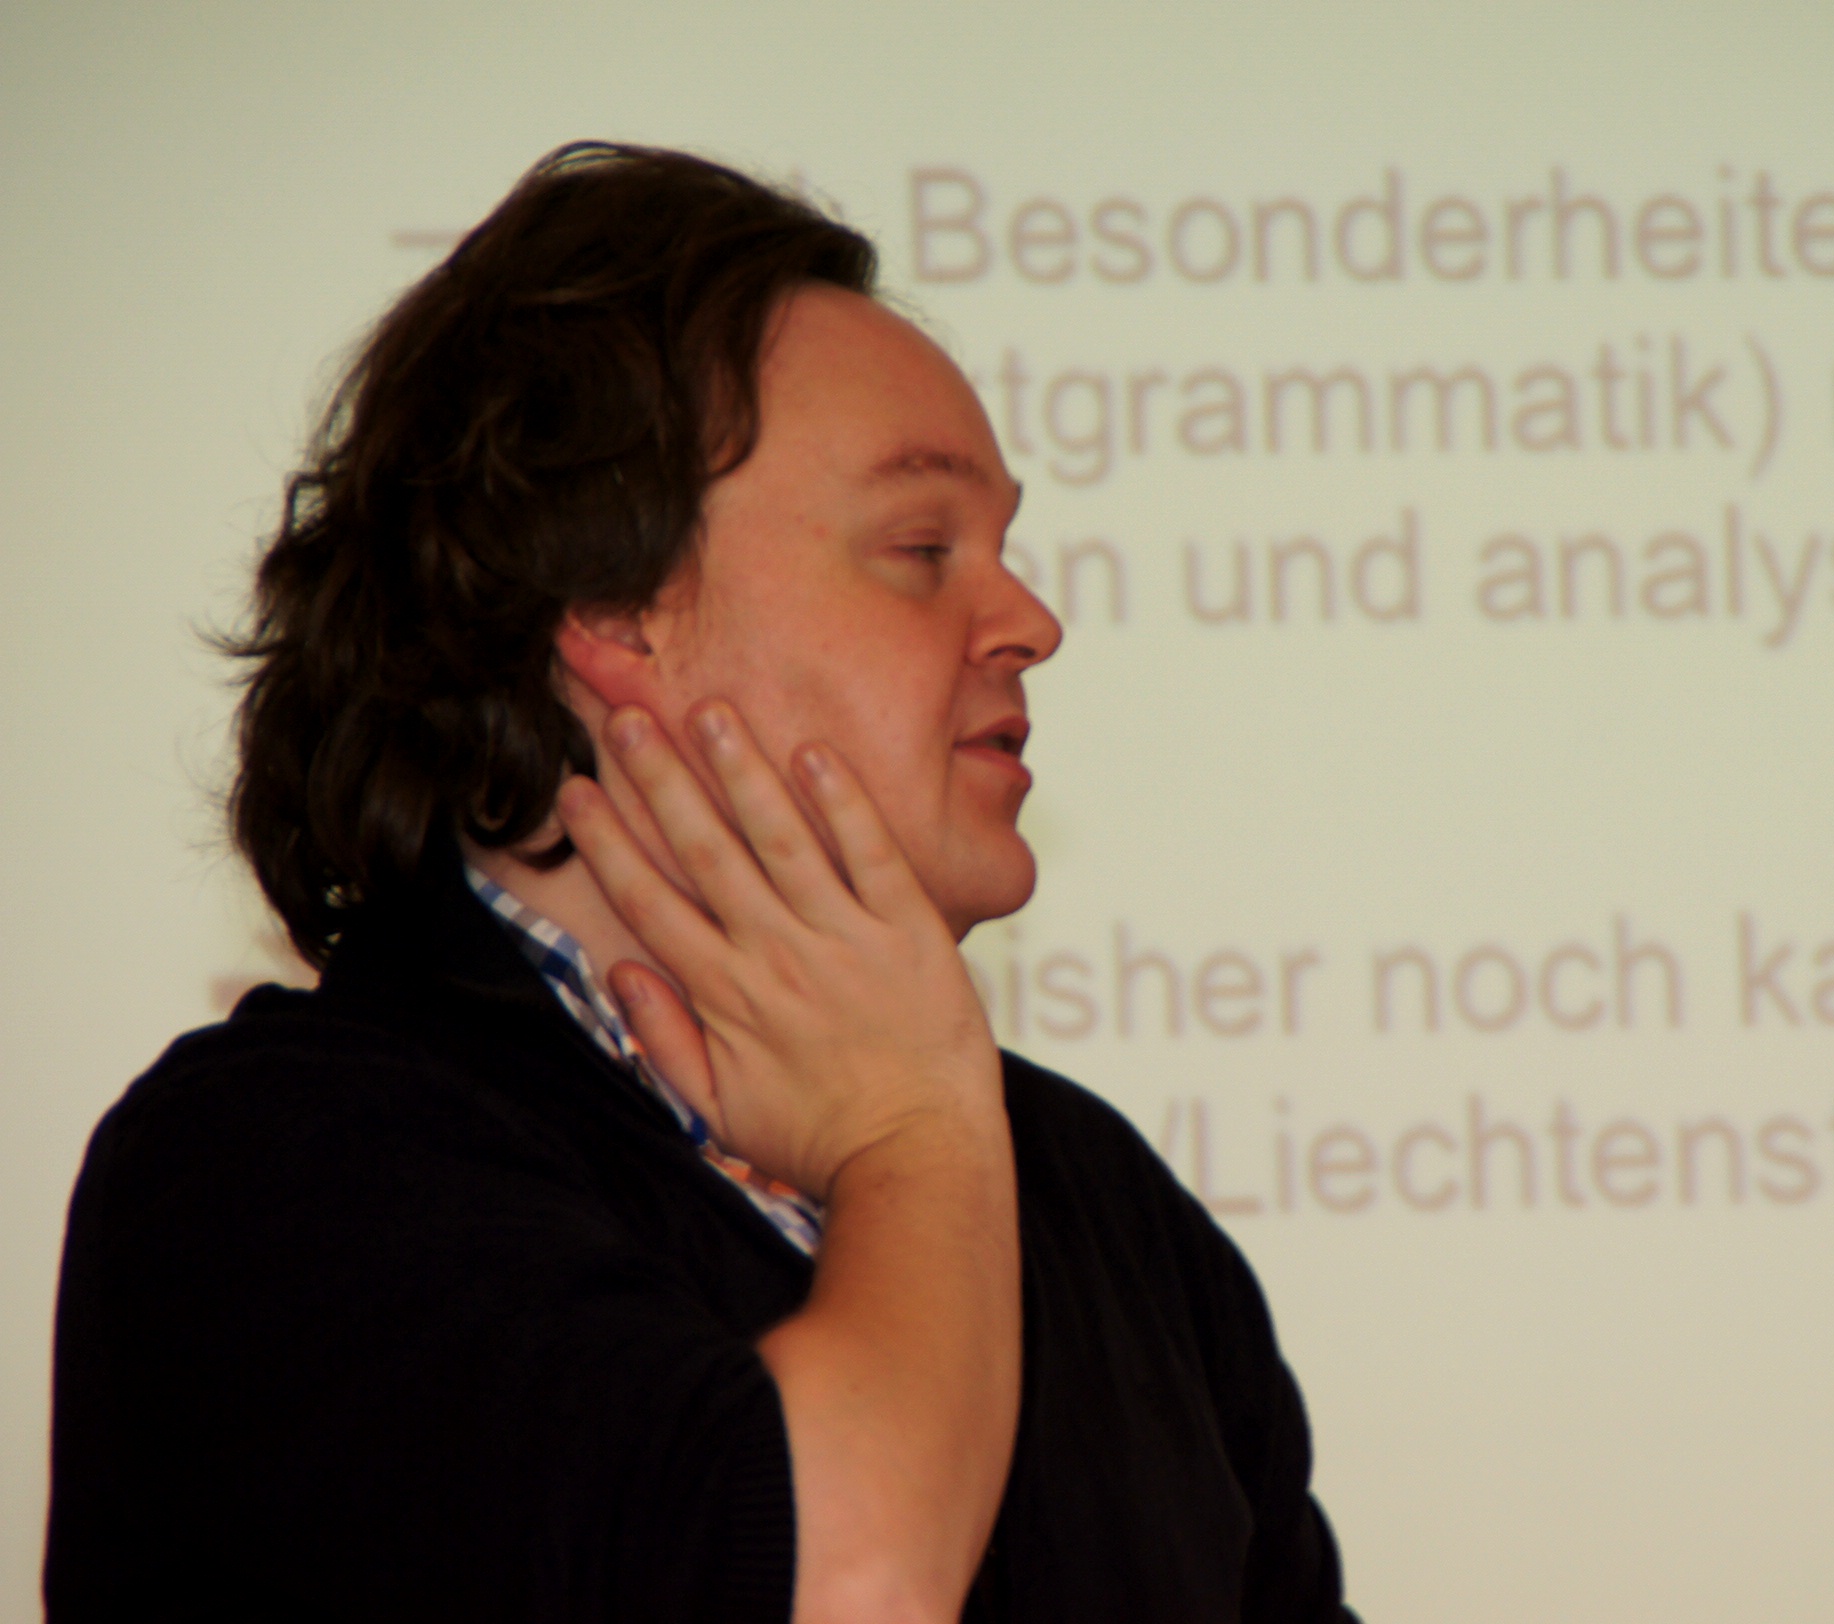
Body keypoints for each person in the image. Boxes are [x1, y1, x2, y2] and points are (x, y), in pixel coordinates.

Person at [47, 142, 1355, 1624]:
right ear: (610, 607)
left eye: (1004, 548)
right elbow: (838, 1590)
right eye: (922, 547)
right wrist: (914, 1140)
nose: (1031, 621)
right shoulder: (277, 1170)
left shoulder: (1090, 1197)